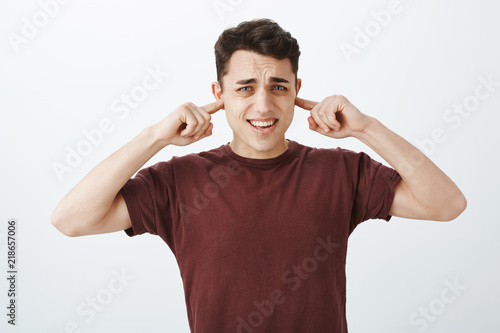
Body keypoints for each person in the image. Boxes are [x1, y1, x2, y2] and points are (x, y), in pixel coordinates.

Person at [51, 18, 466, 333]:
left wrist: (366, 128)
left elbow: (446, 204)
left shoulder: (341, 171)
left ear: (297, 88)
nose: (264, 105)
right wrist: (153, 138)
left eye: (279, 87)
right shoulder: (179, 182)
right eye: (246, 87)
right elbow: (71, 220)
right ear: (220, 95)